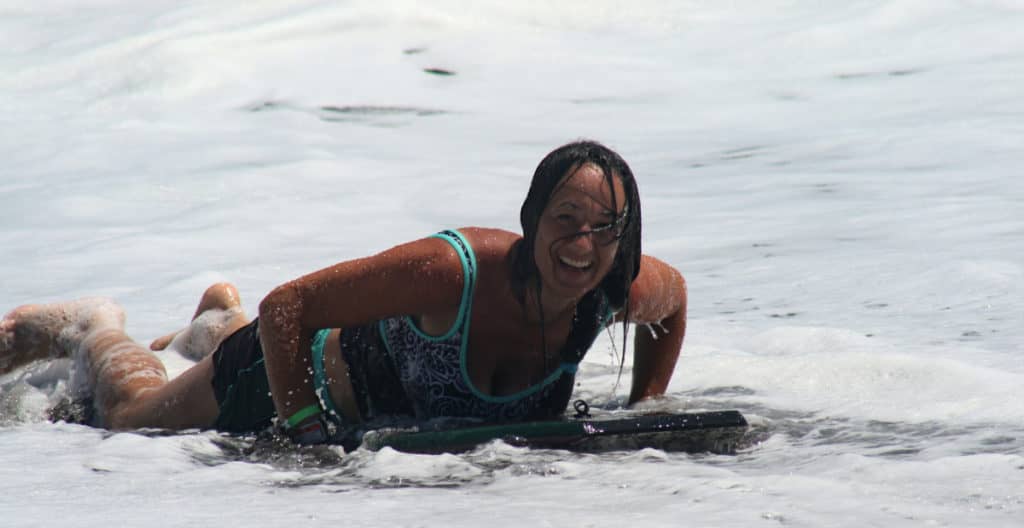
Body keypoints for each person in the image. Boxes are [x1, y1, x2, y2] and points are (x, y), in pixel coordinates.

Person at [0, 140, 687, 445]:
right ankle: (89, 328)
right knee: (129, 417)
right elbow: (289, 308)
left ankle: (213, 323)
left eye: (604, 228)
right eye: (565, 220)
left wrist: (644, 409)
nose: (582, 244)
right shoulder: (455, 273)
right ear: (531, 219)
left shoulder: (614, 287)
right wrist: (304, 432)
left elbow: (677, 300)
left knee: (235, 332)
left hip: (291, 355)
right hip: (272, 381)